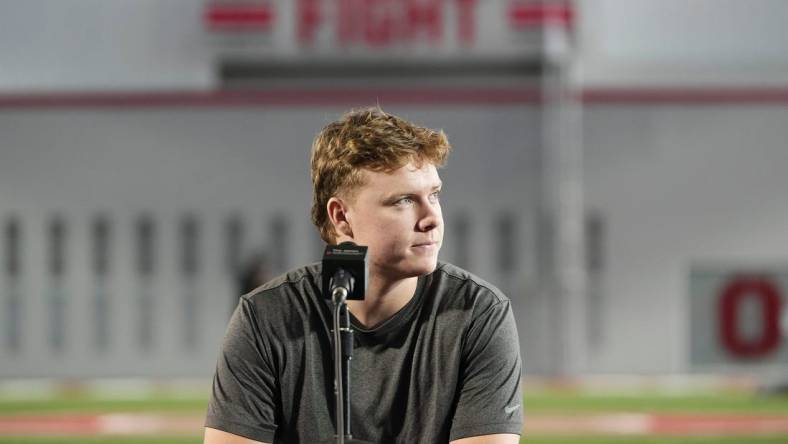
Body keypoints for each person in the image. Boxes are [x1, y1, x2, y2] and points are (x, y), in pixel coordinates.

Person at [204, 108, 523, 444]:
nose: (432, 218)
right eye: (403, 200)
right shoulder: (266, 318)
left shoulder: (478, 313)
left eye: (434, 195)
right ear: (341, 217)